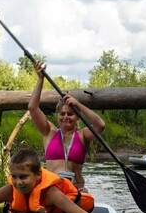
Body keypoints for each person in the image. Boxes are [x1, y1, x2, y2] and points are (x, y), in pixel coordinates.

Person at [28, 61, 106, 191]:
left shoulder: (83, 136)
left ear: (77, 117)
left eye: (70, 114)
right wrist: (40, 79)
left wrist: (78, 104)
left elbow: (100, 125)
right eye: (62, 113)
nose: (65, 117)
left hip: (77, 189)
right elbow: (32, 107)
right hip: (54, 190)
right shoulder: (49, 132)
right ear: (58, 115)